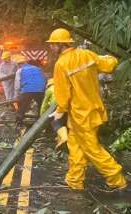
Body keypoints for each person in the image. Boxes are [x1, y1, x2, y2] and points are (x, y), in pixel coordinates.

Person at [47, 28, 127, 191]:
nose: (50, 48)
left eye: (52, 45)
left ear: (60, 45)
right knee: (76, 145)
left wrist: (59, 112)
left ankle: (116, 179)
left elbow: (62, 95)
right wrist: (111, 57)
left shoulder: (61, 64)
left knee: (92, 148)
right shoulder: (86, 55)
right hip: (94, 109)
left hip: (80, 114)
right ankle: (75, 180)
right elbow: (109, 64)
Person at [14, 54, 46, 127]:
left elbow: (17, 85)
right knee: (41, 105)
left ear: (18, 64)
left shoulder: (20, 70)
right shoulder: (37, 68)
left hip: (27, 90)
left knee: (22, 106)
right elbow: (44, 78)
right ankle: (41, 120)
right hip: (40, 89)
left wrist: (16, 97)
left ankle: (19, 122)